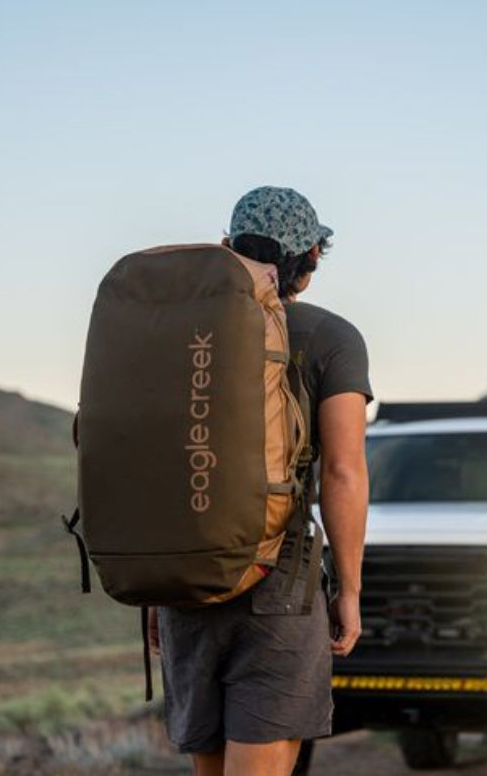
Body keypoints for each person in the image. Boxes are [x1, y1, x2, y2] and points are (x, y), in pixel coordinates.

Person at [148, 186, 372, 776]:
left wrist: (155, 584)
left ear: (227, 249)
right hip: (281, 582)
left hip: (184, 581)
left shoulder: (181, 334)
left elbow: (159, 458)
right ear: (312, 259)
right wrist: (348, 590)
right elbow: (344, 472)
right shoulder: (332, 338)